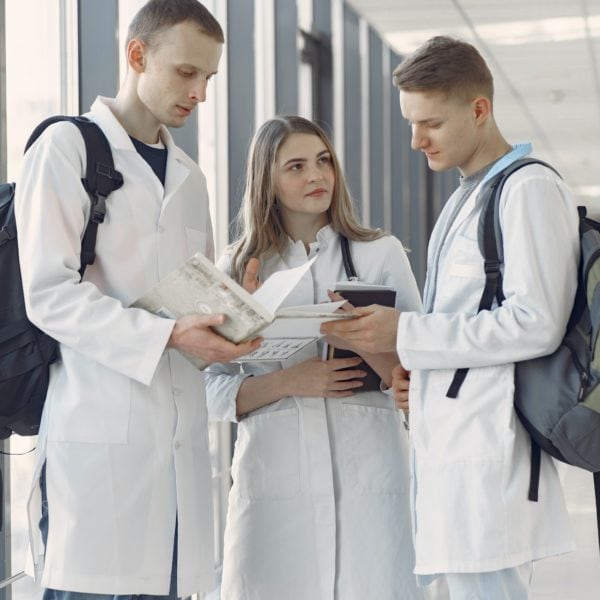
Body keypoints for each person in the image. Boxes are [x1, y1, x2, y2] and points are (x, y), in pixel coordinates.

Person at [15, 1, 260, 598]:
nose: (199, 92)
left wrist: (231, 315)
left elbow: (186, 300)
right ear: (136, 55)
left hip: (177, 453)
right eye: (186, 72)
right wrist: (170, 335)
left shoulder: (190, 177)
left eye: (209, 78)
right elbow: (48, 294)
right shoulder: (67, 149)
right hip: (96, 440)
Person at [321, 35, 579, 599]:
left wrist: (407, 334)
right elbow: (467, 323)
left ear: (479, 110)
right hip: (458, 449)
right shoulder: (467, 196)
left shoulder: (528, 188)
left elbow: (538, 321)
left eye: (430, 123)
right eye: (411, 123)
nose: (415, 141)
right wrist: (423, 376)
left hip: (490, 454)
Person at [205, 115, 427, 599]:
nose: (316, 176)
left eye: (324, 161)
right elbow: (207, 385)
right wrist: (290, 381)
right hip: (275, 483)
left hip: (370, 478)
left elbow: (420, 370)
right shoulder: (237, 267)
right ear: (267, 178)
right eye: (297, 166)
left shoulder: (380, 254)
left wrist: (367, 341)